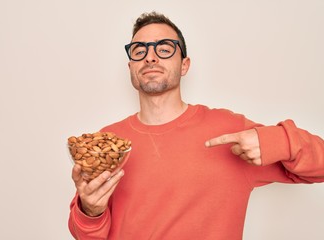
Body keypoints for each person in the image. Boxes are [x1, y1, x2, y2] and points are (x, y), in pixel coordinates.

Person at [68, 11, 324, 240]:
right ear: (131, 67)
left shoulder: (228, 130)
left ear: (184, 65)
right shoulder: (109, 142)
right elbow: (86, 236)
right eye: (139, 51)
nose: (151, 58)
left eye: (165, 48)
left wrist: (275, 141)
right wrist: (90, 211)